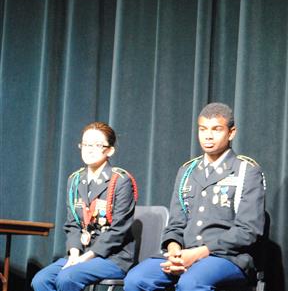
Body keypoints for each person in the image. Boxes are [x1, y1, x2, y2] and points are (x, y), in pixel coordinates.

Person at [124, 102, 266, 291]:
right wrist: (174, 251)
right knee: (136, 279)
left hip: (226, 257)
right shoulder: (187, 171)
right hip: (184, 253)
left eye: (216, 129)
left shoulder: (246, 171)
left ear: (231, 133)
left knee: (191, 282)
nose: (208, 136)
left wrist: (199, 253)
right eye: (203, 129)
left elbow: (248, 230)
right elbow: (175, 224)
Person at [32, 122, 138, 291]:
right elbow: (73, 224)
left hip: (112, 257)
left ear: (110, 150)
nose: (89, 149)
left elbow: (118, 230)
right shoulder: (74, 180)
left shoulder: (120, 180)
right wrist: (75, 254)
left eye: (97, 145)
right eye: (86, 144)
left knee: (68, 278)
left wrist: (86, 257)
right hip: (80, 253)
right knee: (41, 280)